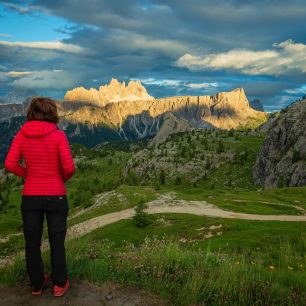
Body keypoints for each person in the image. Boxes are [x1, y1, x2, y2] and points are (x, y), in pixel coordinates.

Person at [4, 97, 75, 297]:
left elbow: (10, 164)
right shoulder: (58, 135)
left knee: (32, 242)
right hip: (56, 196)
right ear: (52, 113)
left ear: (31, 113)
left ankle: (36, 284)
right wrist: (60, 178)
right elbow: (69, 168)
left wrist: (28, 174)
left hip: (30, 197)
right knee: (57, 241)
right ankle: (60, 284)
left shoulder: (22, 134)